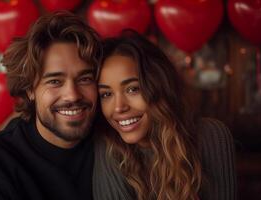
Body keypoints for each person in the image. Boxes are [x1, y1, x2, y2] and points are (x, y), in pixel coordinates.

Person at [0, 11, 101, 200]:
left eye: (85, 79)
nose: (72, 95)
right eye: (55, 81)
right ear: (29, 89)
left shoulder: (113, 147)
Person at [93, 30, 236, 200]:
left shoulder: (211, 136)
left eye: (133, 89)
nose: (118, 107)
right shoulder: (109, 149)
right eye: (106, 94)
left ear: (159, 87)